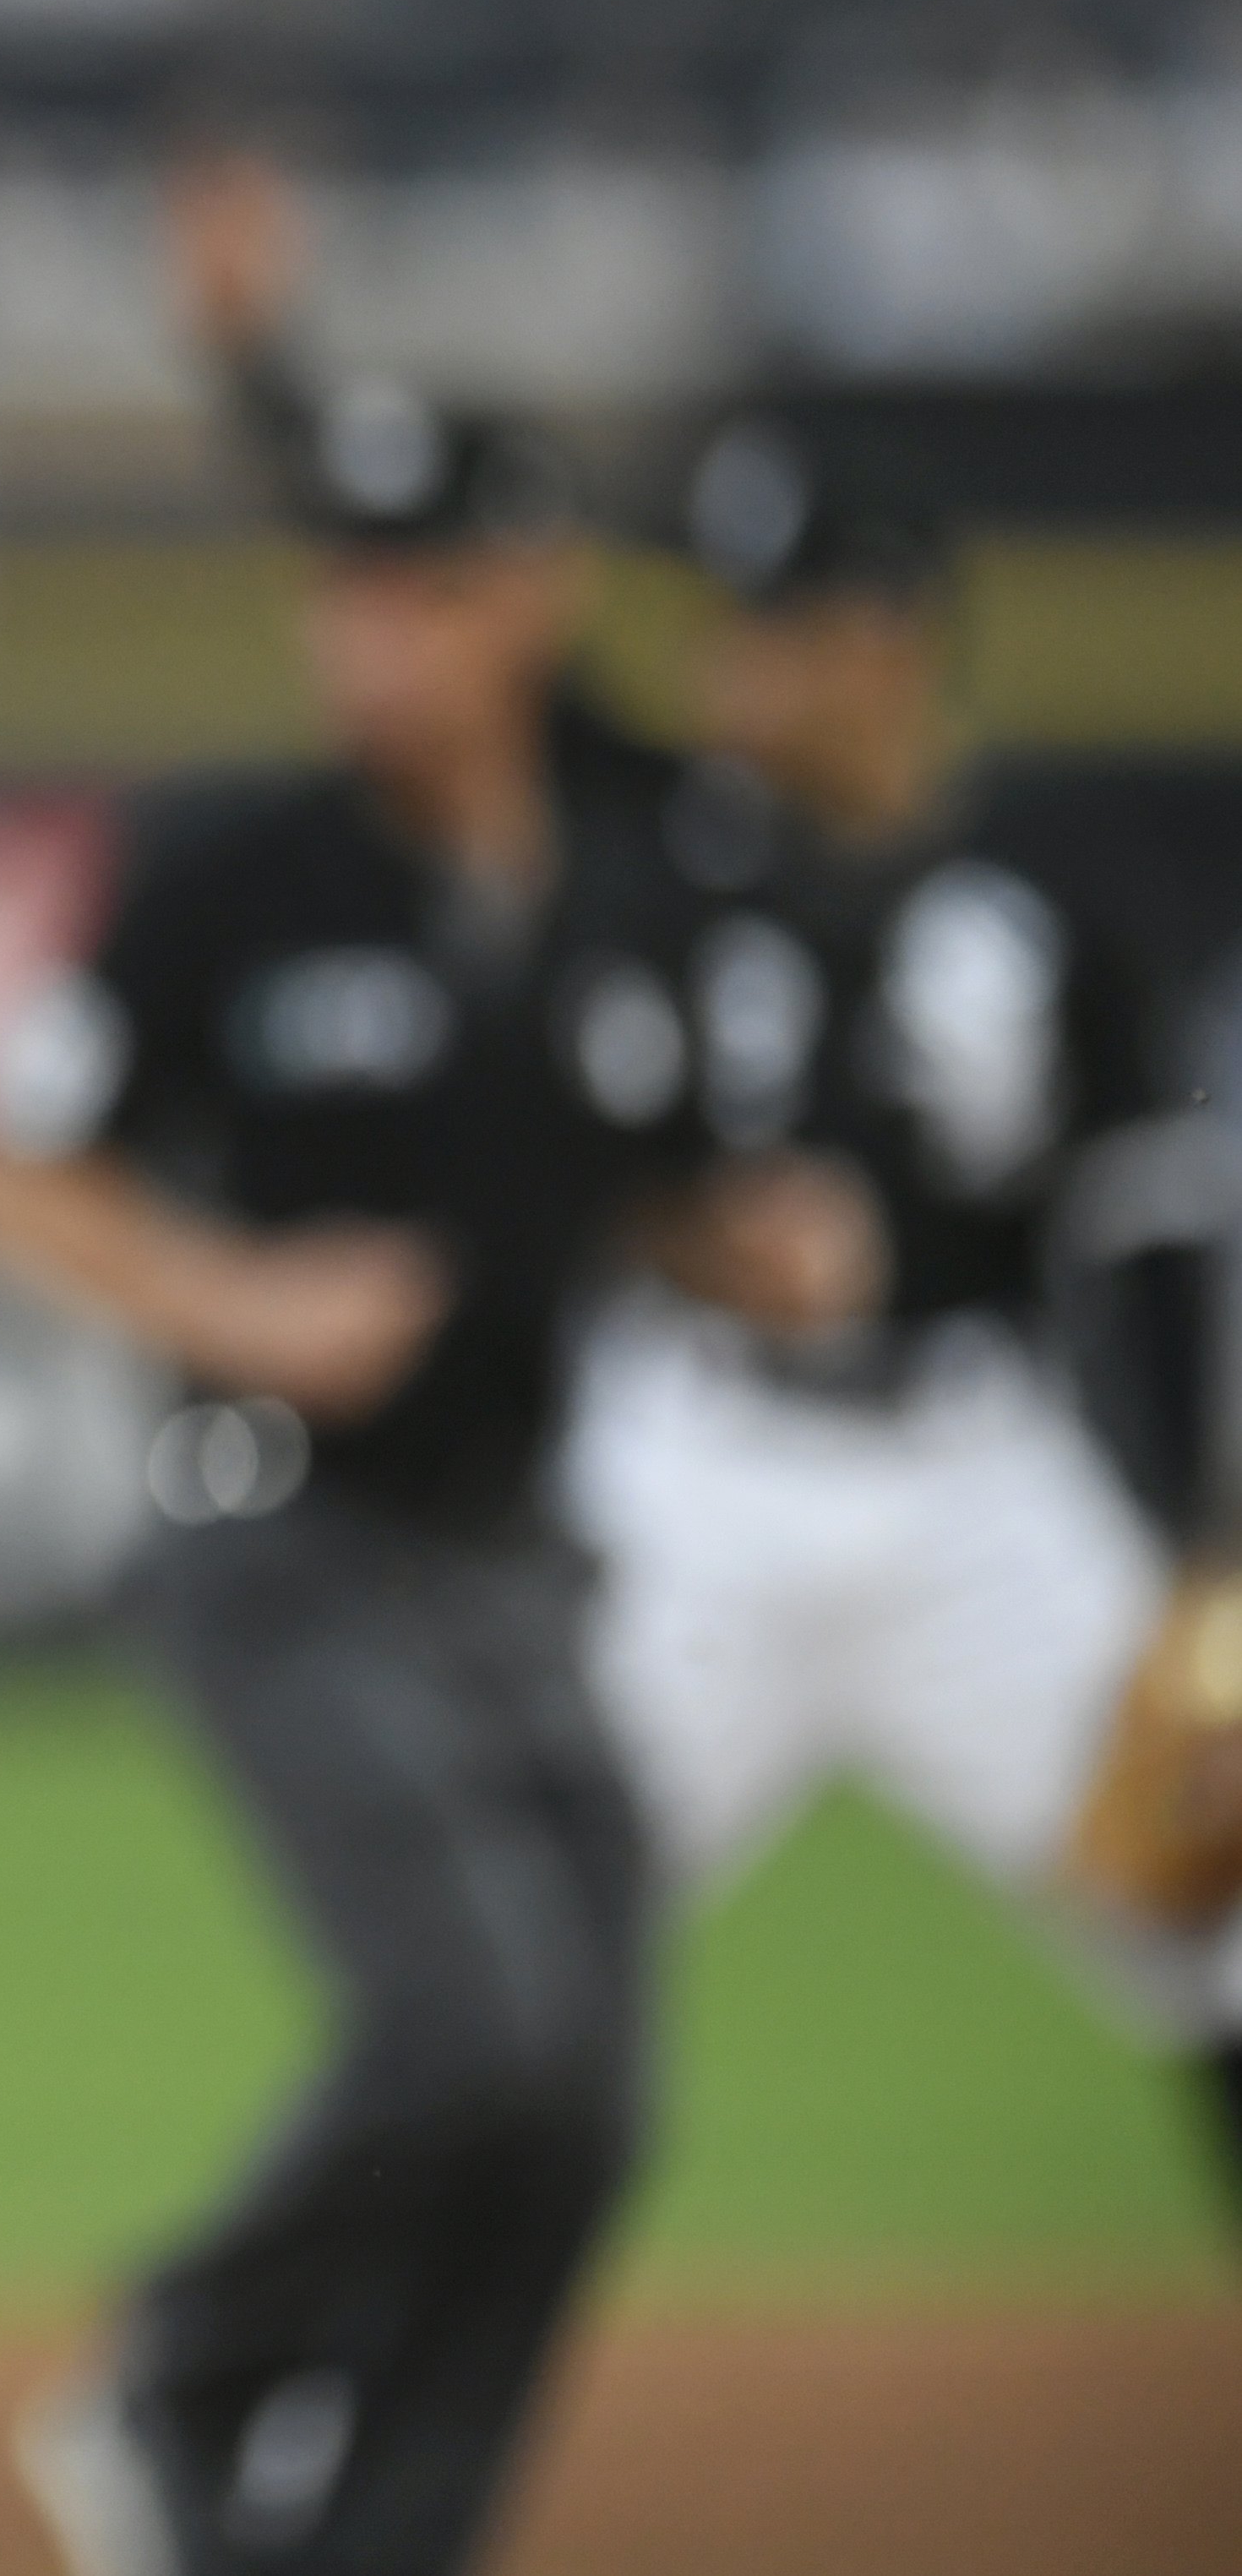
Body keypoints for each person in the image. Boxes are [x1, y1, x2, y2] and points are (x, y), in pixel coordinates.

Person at [0, 381, 727, 2576]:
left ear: (533, 600)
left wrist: (730, 1244)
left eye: (421, 585)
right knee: (473, 2029)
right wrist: (236, 1295)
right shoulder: (235, 867)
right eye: (342, 586)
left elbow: (635, 1174)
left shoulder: (632, 874)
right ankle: (178, 2374)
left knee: (582, 2113)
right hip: (273, 1530)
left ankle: (372, 2538)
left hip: (515, 1552)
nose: (366, 630)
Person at [560, 418, 1242, 2202]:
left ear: (879, 641)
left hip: (970, 1473)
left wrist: (1196, 1561)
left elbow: (1141, 1234)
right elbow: (540, 1157)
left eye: (762, 627)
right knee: (507, 1982)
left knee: (1219, 1913)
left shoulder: (1061, 884)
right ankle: (318, 2424)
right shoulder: (658, 852)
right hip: (695, 1470)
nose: (719, 667)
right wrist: (689, 1241)